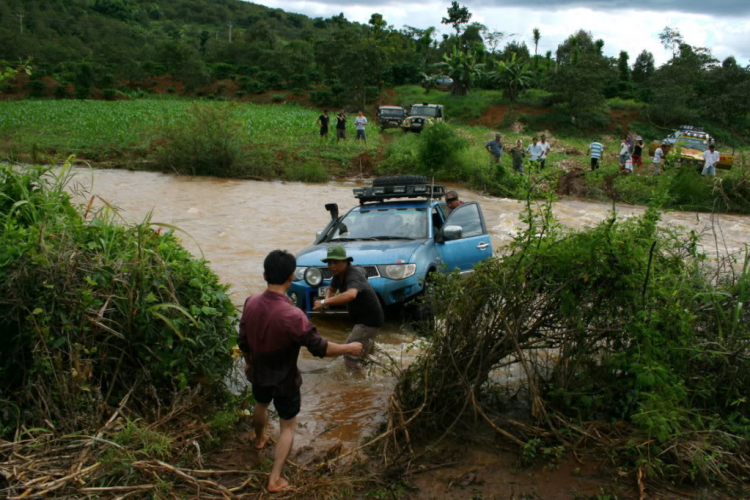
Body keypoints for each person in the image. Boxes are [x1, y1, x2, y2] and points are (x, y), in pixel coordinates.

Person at [239, 250, 363, 493]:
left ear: (265, 274)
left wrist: (248, 362)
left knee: (261, 404)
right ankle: (275, 479)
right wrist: (349, 347)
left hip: (258, 371)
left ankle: (258, 439)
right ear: (291, 277)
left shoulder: (250, 302)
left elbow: (243, 339)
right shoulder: (293, 315)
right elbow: (320, 348)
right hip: (284, 380)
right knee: (288, 426)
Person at [313, 246, 384, 369]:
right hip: (363, 320)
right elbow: (331, 289)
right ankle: (376, 375)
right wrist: (328, 299)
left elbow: (351, 295)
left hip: (368, 321)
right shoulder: (338, 274)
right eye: (329, 263)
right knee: (366, 355)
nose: (331, 266)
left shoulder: (353, 274)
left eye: (335, 262)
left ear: (345, 261)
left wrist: (324, 302)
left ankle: (356, 385)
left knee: (350, 352)